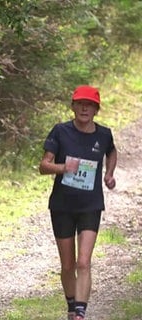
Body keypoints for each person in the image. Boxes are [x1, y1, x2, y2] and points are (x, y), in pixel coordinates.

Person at [39, 85, 117, 320]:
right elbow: (43, 165)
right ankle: (72, 306)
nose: (85, 108)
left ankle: (80, 313)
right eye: (80, 103)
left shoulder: (104, 134)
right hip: (62, 206)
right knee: (68, 265)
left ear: (96, 109)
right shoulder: (60, 131)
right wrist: (63, 168)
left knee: (84, 262)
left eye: (90, 104)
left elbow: (111, 152)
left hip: (90, 206)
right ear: (73, 106)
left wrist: (109, 174)